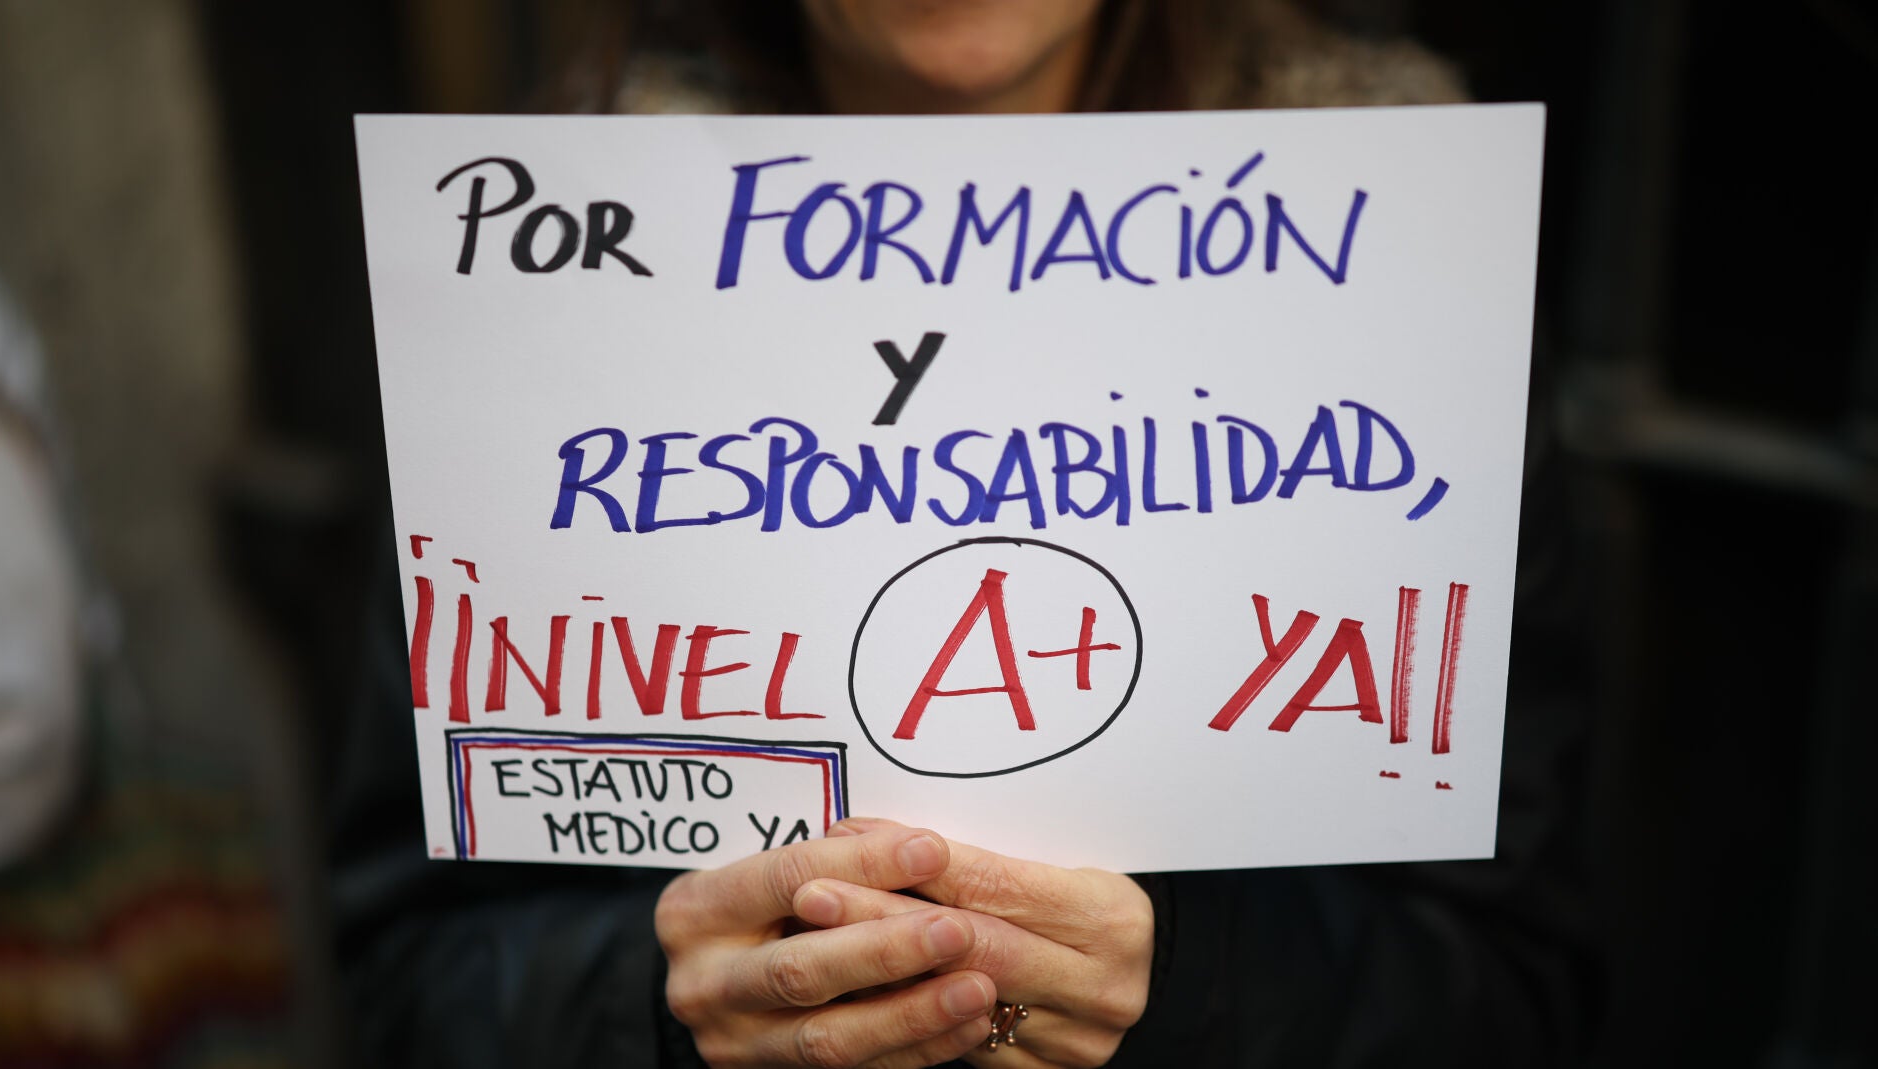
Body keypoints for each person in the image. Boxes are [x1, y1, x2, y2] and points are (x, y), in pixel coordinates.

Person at [332, 2, 1598, 1066]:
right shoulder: (533, 290)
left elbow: (1517, 988)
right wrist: (667, 1009)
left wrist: (1187, 984)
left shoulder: (1399, 270)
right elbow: (405, 976)